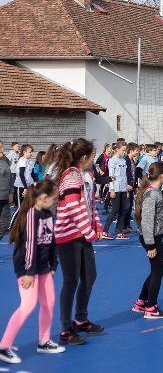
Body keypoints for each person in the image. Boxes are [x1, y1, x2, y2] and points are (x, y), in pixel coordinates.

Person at [0, 179, 63, 363]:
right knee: (28, 305)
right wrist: (29, 272)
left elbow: (51, 241)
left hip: (42, 266)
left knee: (49, 302)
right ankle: (4, 346)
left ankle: (44, 341)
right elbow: (30, 246)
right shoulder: (30, 216)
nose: (55, 202)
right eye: (54, 199)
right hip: (27, 266)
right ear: (43, 197)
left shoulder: (48, 215)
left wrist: (53, 264)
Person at [53, 138, 104, 345]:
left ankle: (81, 318)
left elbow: (90, 205)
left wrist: (97, 225)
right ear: (85, 157)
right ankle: (66, 328)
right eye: (93, 156)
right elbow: (74, 209)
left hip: (83, 234)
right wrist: (89, 232)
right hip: (69, 237)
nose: (94, 159)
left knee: (90, 276)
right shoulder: (71, 178)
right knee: (71, 281)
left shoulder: (87, 176)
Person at [132, 162, 163, 319]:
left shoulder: (154, 192)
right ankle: (151, 307)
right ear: (162, 176)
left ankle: (142, 301)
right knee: (158, 271)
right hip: (151, 238)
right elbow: (147, 221)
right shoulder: (152, 194)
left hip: (154, 235)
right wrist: (151, 245)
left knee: (156, 269)